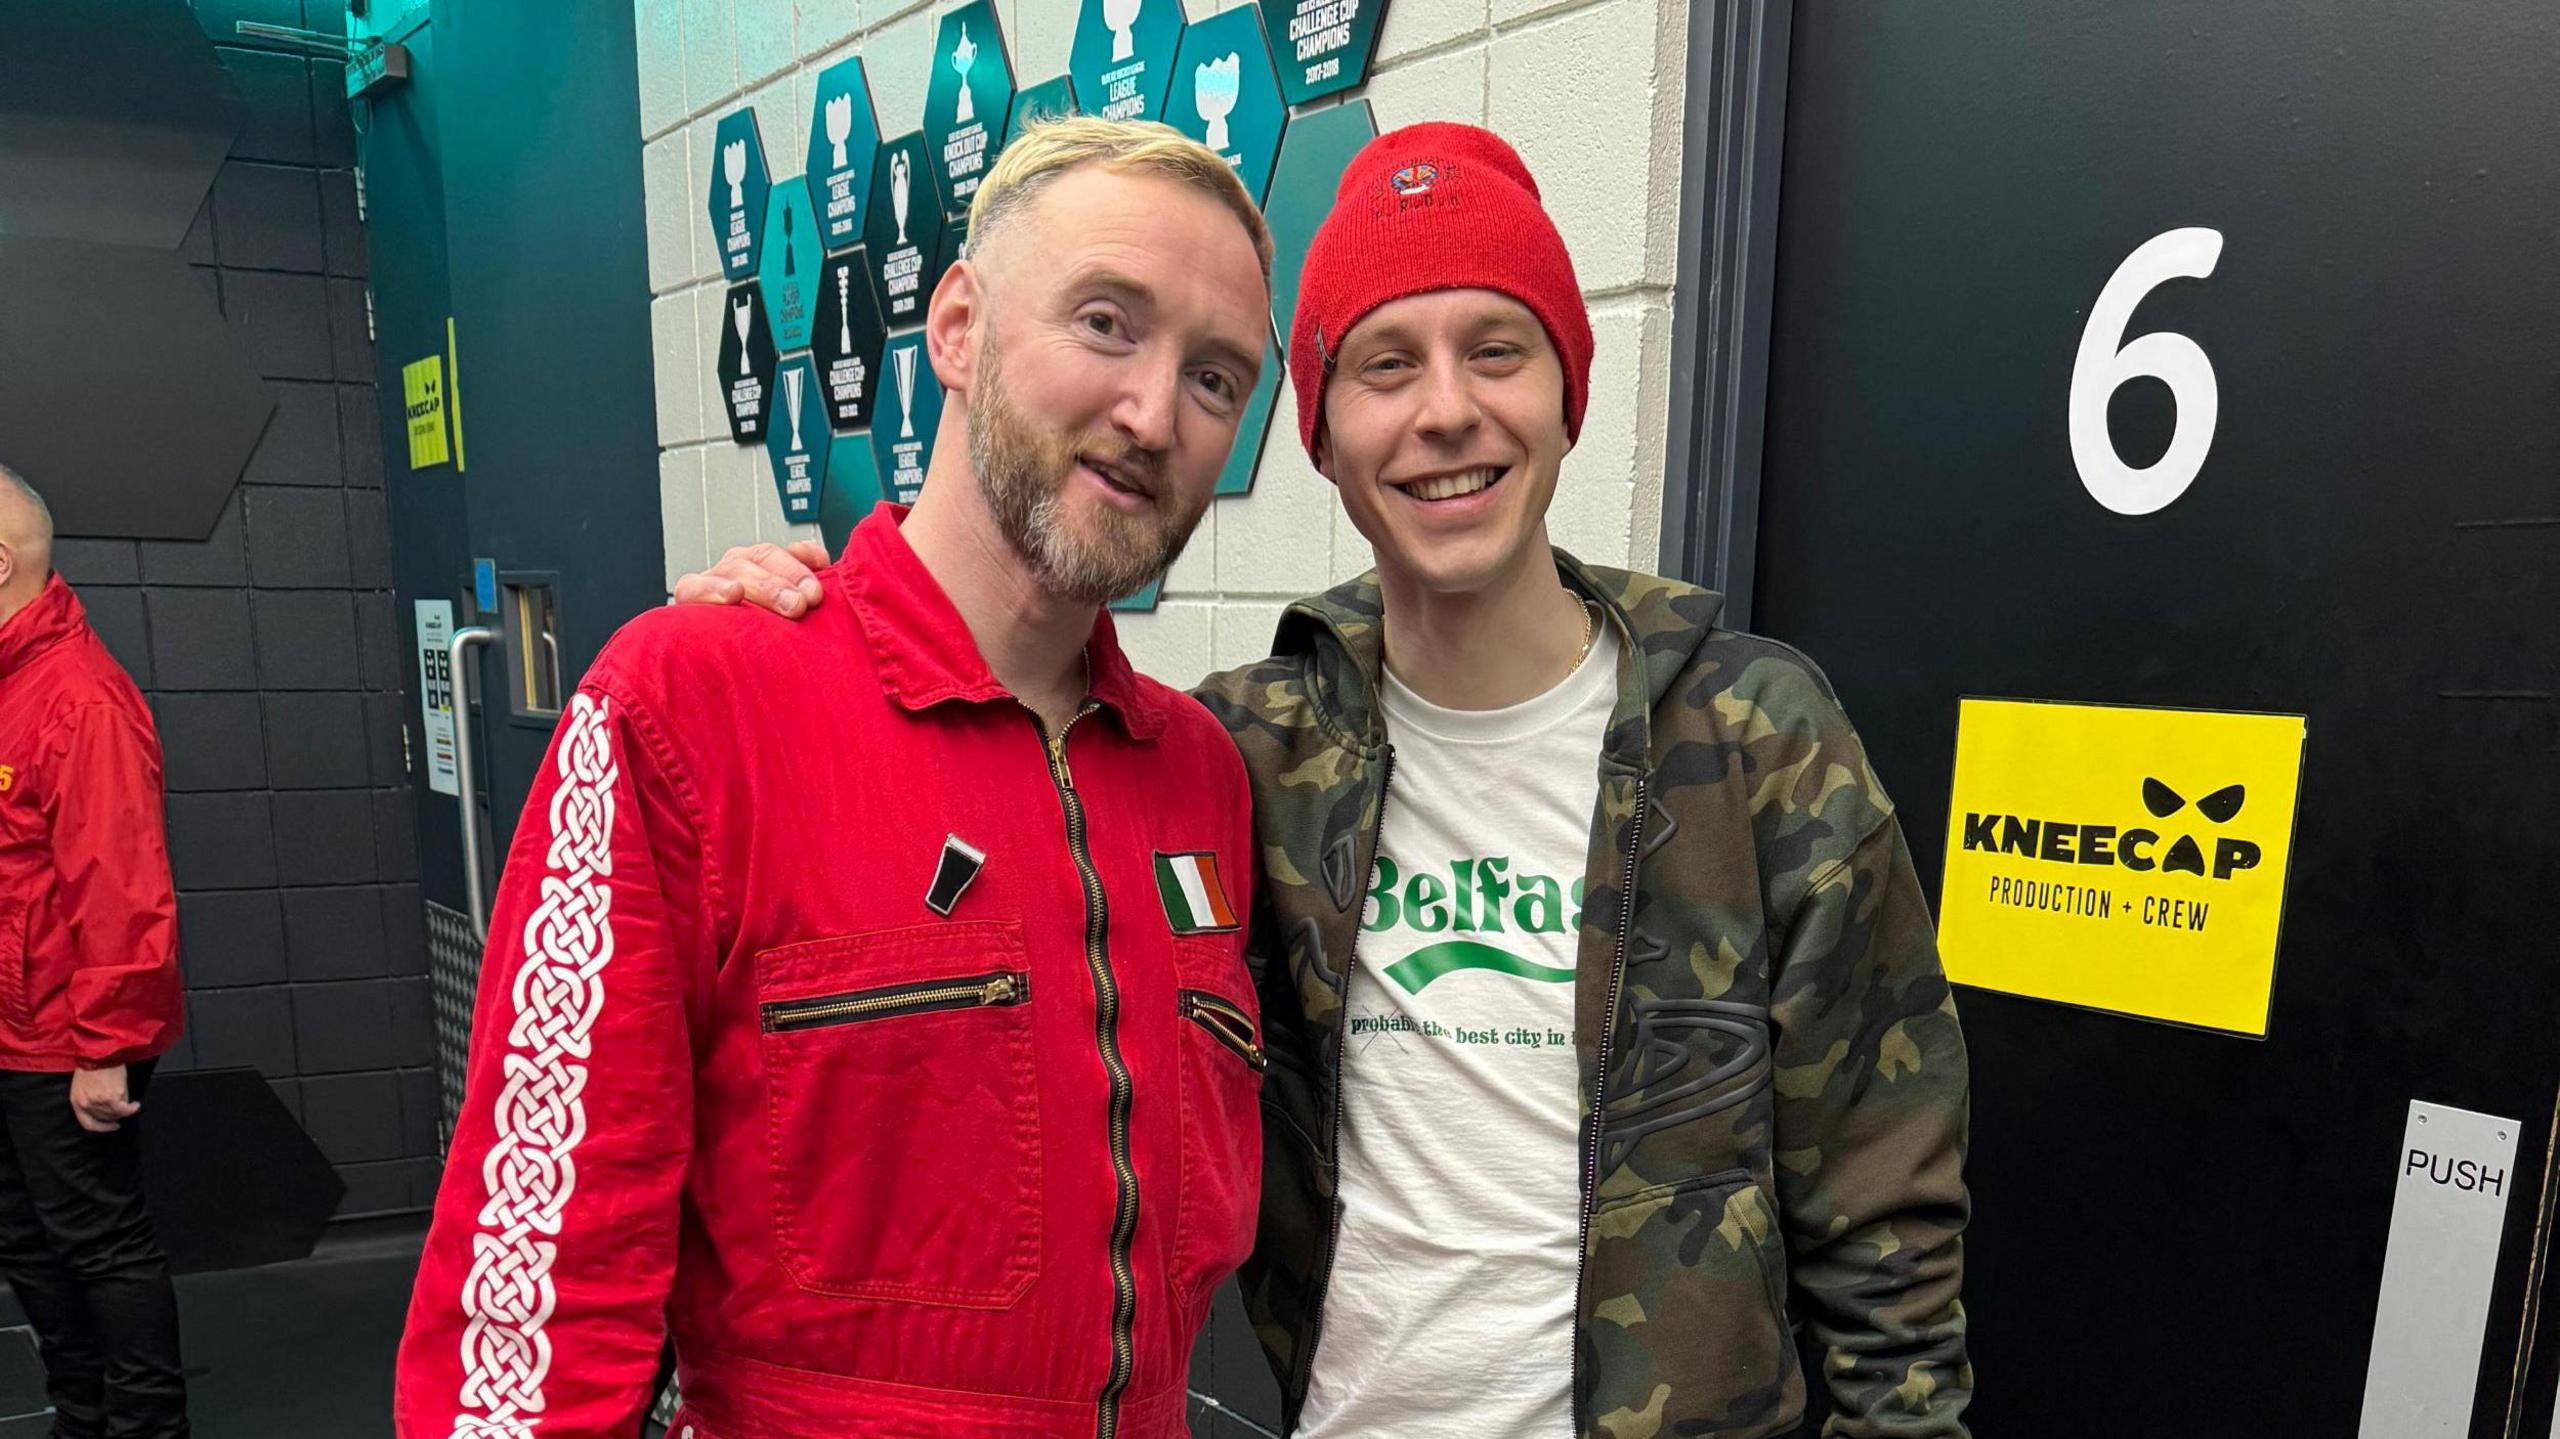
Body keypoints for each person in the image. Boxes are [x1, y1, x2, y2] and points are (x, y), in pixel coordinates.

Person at [686, 122, 1975, 1438]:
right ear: (1321, 431)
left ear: (1566, 389)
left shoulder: (1754, 732)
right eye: (1385, 364)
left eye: (1497, 348)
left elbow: (1886, 1216)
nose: (1446, 411)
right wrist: (818, 620)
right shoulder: (1243, 758)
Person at [394, 118, 1275, 1439]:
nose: (1155, 412)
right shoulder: (693, 707)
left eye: (1216, 378)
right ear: (962, 327)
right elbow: (531, 1303)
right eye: (1105, 322)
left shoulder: (1199, 775)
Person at [0, 464, 191, 1439]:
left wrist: (103, 1046)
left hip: (68, 1031)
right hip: (7, 1023)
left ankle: (146, 1428)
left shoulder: (79, 697)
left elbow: (121, 887)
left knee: (98, 1240)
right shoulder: (8, 681)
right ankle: (85, 1414)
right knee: (24, 1239)